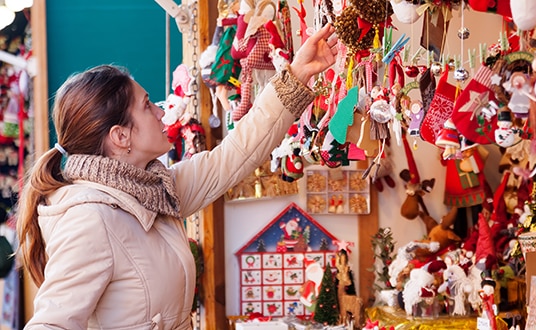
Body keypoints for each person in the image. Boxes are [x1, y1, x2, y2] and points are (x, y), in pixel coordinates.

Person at [16, 24, 338, 329]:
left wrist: (296, 74)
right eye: (146, 106)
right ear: (121, 137)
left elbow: (238, 153)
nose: (159, 111)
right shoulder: (90, 220)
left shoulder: (155, 191)